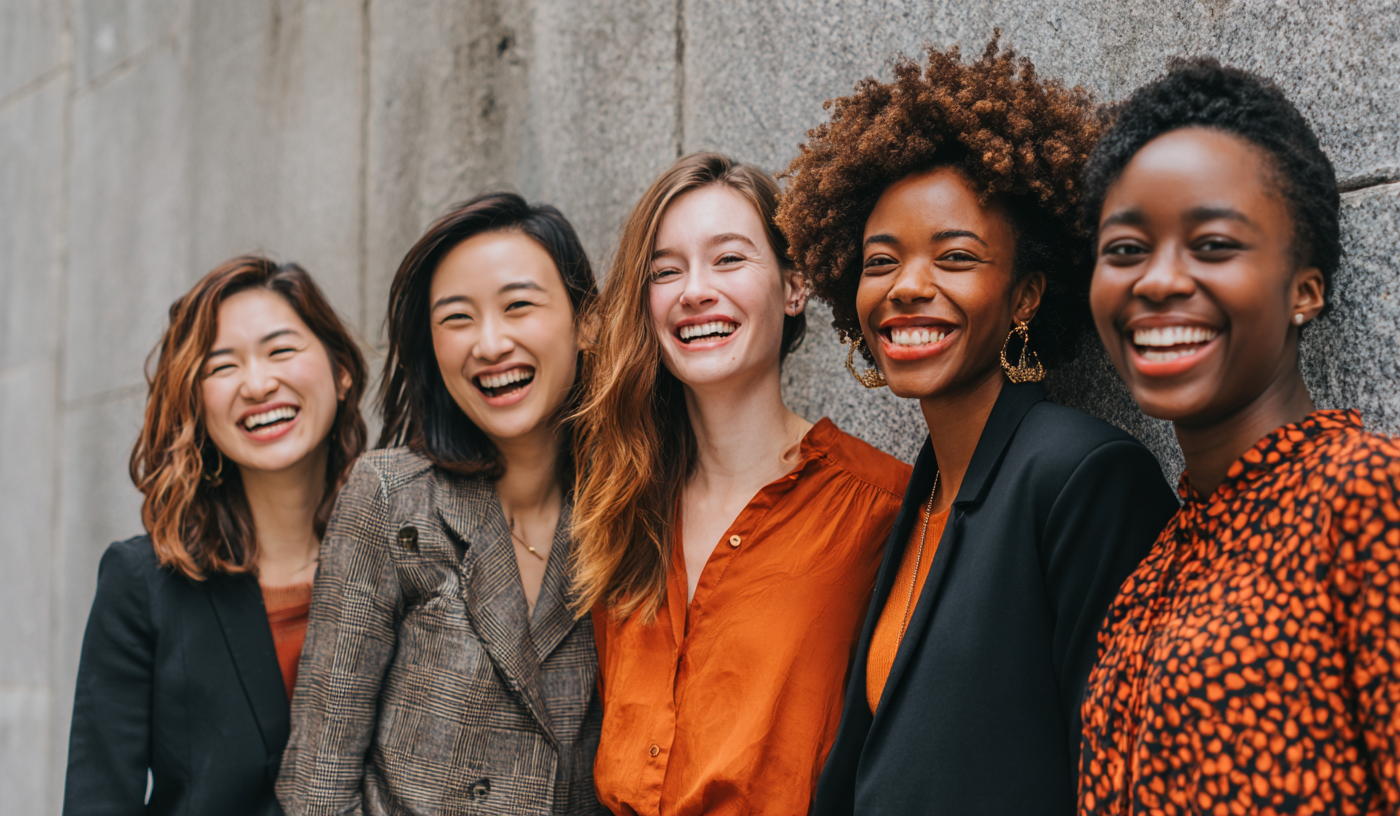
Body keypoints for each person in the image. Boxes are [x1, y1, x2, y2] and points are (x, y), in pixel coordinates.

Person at [776, 42, 1179, 814]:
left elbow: (1125, 779)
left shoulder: (1084, 476)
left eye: (955, 258)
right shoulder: (922, 491)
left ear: (1025, 296)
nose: (908, 287)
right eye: (880, 260)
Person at [1077, 59, 1400, 815]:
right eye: (1125, 249)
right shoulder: (1150, 574)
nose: (1156, 280)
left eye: (1213, 244)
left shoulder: (1372, 496)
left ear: (1304, 290)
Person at [570, 152, 911, 816]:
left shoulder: (878, 510)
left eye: (728, 260)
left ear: (792, 287)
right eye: (665, 271)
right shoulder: (621, 509)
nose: (694, 290)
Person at [276, 194, 602, 816]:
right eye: (457, 319)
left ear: (586, 322)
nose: (489, 343)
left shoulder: (628, 504)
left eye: (518, 306)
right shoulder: (391, 496)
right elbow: (318, 778)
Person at [63, 257, 369, 816]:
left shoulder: (402, 560)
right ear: (196, 403)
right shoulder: (144, 584)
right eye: (221, 367)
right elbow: (99, 798)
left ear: (341, 370)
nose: (258, 384)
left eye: (281, 351)